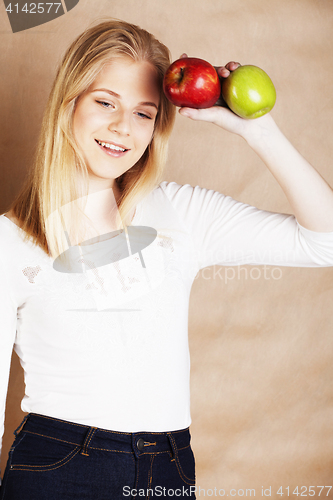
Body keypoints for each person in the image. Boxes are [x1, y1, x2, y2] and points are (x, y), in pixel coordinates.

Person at [0, 18, 332, 500]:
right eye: (105, 102)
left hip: (170, 467)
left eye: (144, 113)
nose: (122, 127)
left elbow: (324, 241)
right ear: (68, 102)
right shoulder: (11, 242)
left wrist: (259, 131)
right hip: (61, 466)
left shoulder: (180, 212)